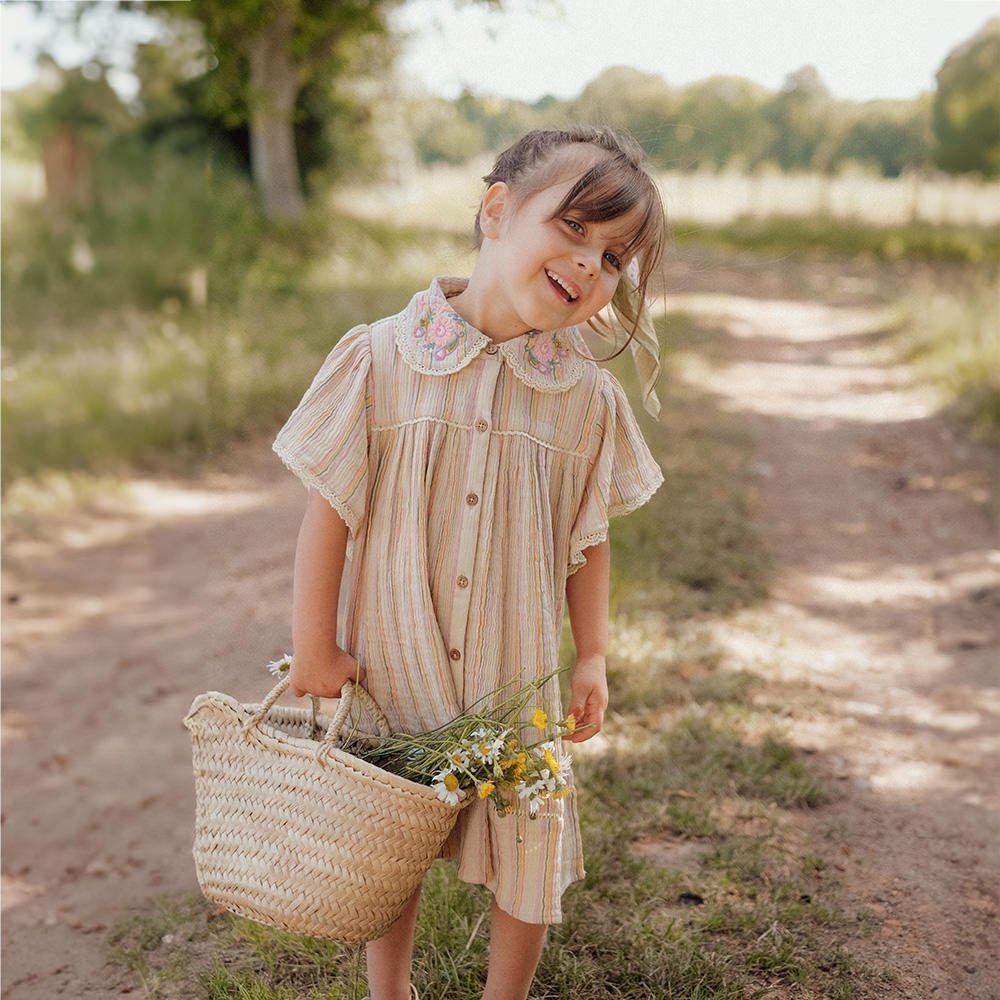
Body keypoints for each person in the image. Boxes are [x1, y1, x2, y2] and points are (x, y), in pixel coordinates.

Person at [272, 125, 666, 1000]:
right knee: (389, 838)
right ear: (496, 210)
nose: (590, 266)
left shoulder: (582, 397)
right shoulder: (380, 357)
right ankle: (391, 991)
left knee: (531, 838)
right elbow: (329, 511)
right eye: (574, 229)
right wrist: (314, 645)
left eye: (613, 258)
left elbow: (588, 536)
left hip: (514, 677)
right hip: (395, 660)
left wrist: (592, 652)